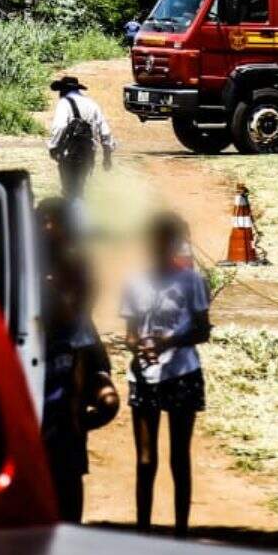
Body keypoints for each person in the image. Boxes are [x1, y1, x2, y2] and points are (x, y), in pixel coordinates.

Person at [120, 213, 211, 535]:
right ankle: (143, 530)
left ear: (173, 244)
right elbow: (130, 333)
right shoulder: (133, 281)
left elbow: (202, 330)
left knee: (178, 457)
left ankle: (181, 532)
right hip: (144, 376)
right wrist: (140, 347)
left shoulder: (192, 282)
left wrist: (168, 342)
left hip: (183, 373)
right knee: (145, 460)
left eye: (164, 240)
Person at [35, 198, 119, 522]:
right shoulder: (20, 264)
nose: (48, 227)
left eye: (53, 221)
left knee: (68, 480)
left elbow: (81, 310)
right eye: (43, 220)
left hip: (65, 403)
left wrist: (92, 411)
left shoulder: (76, 267)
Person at [47, 76, 115, 202]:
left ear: (63, 90)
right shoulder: (92, 104)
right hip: (88, 153)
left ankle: (71, 216)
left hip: (69, 154)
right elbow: (105, 131)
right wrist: (107, 156)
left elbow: (60, 126)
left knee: (69, 191)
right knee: (82, 188)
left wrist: (53, 146)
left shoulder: (64, 103)